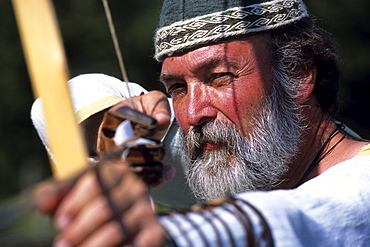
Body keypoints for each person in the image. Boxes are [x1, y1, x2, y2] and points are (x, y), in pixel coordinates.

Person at [31, 0, 370, 246]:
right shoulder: (245, 160)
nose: (193, 114)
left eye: (220, 77)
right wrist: (119, 132)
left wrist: (164, 236)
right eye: (177, 88)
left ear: (298, 75)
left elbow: (300, 218)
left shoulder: (359, 184)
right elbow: (56, 108)